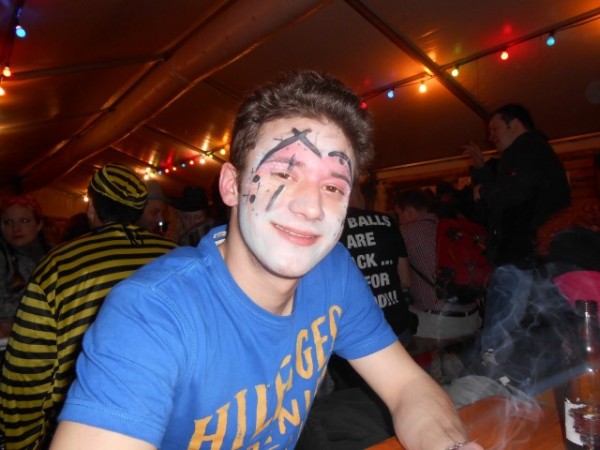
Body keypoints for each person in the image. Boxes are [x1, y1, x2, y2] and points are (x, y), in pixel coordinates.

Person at [49, 71, 482, 450]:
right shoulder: (152, 313)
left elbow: (407, 386)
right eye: (283, 173)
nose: (312, 207)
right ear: (231, 186)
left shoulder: (333, 273)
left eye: (333, 187)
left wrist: (451, 446)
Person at [0, 164, 178, 450]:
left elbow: (28, 369)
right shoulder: (175, 256)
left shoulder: (59, 263)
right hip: (168, 423)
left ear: (92, 209)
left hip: (81, 426)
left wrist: (23, 441)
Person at [462, 103, 571, 268]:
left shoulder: (530, 148)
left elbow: (519, 187)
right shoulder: (525, 153)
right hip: (531, 254)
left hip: (532, 256)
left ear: (514, 124)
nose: (490, 137)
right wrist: (480, 169)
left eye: (494, 129)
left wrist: (483, 191)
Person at [395, 189, 481, 343]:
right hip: (473, 316)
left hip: (437, 323)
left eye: (398, 214)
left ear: (408, 211)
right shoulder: (453, 227)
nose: (398, 219)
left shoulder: (403, 232)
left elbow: (401, 280)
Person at [0, 195, 50, 320]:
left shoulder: (55, 254)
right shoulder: (3, 257)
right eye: (8, 222)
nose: (15, 229)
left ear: (39, 224)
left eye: (24, 221)